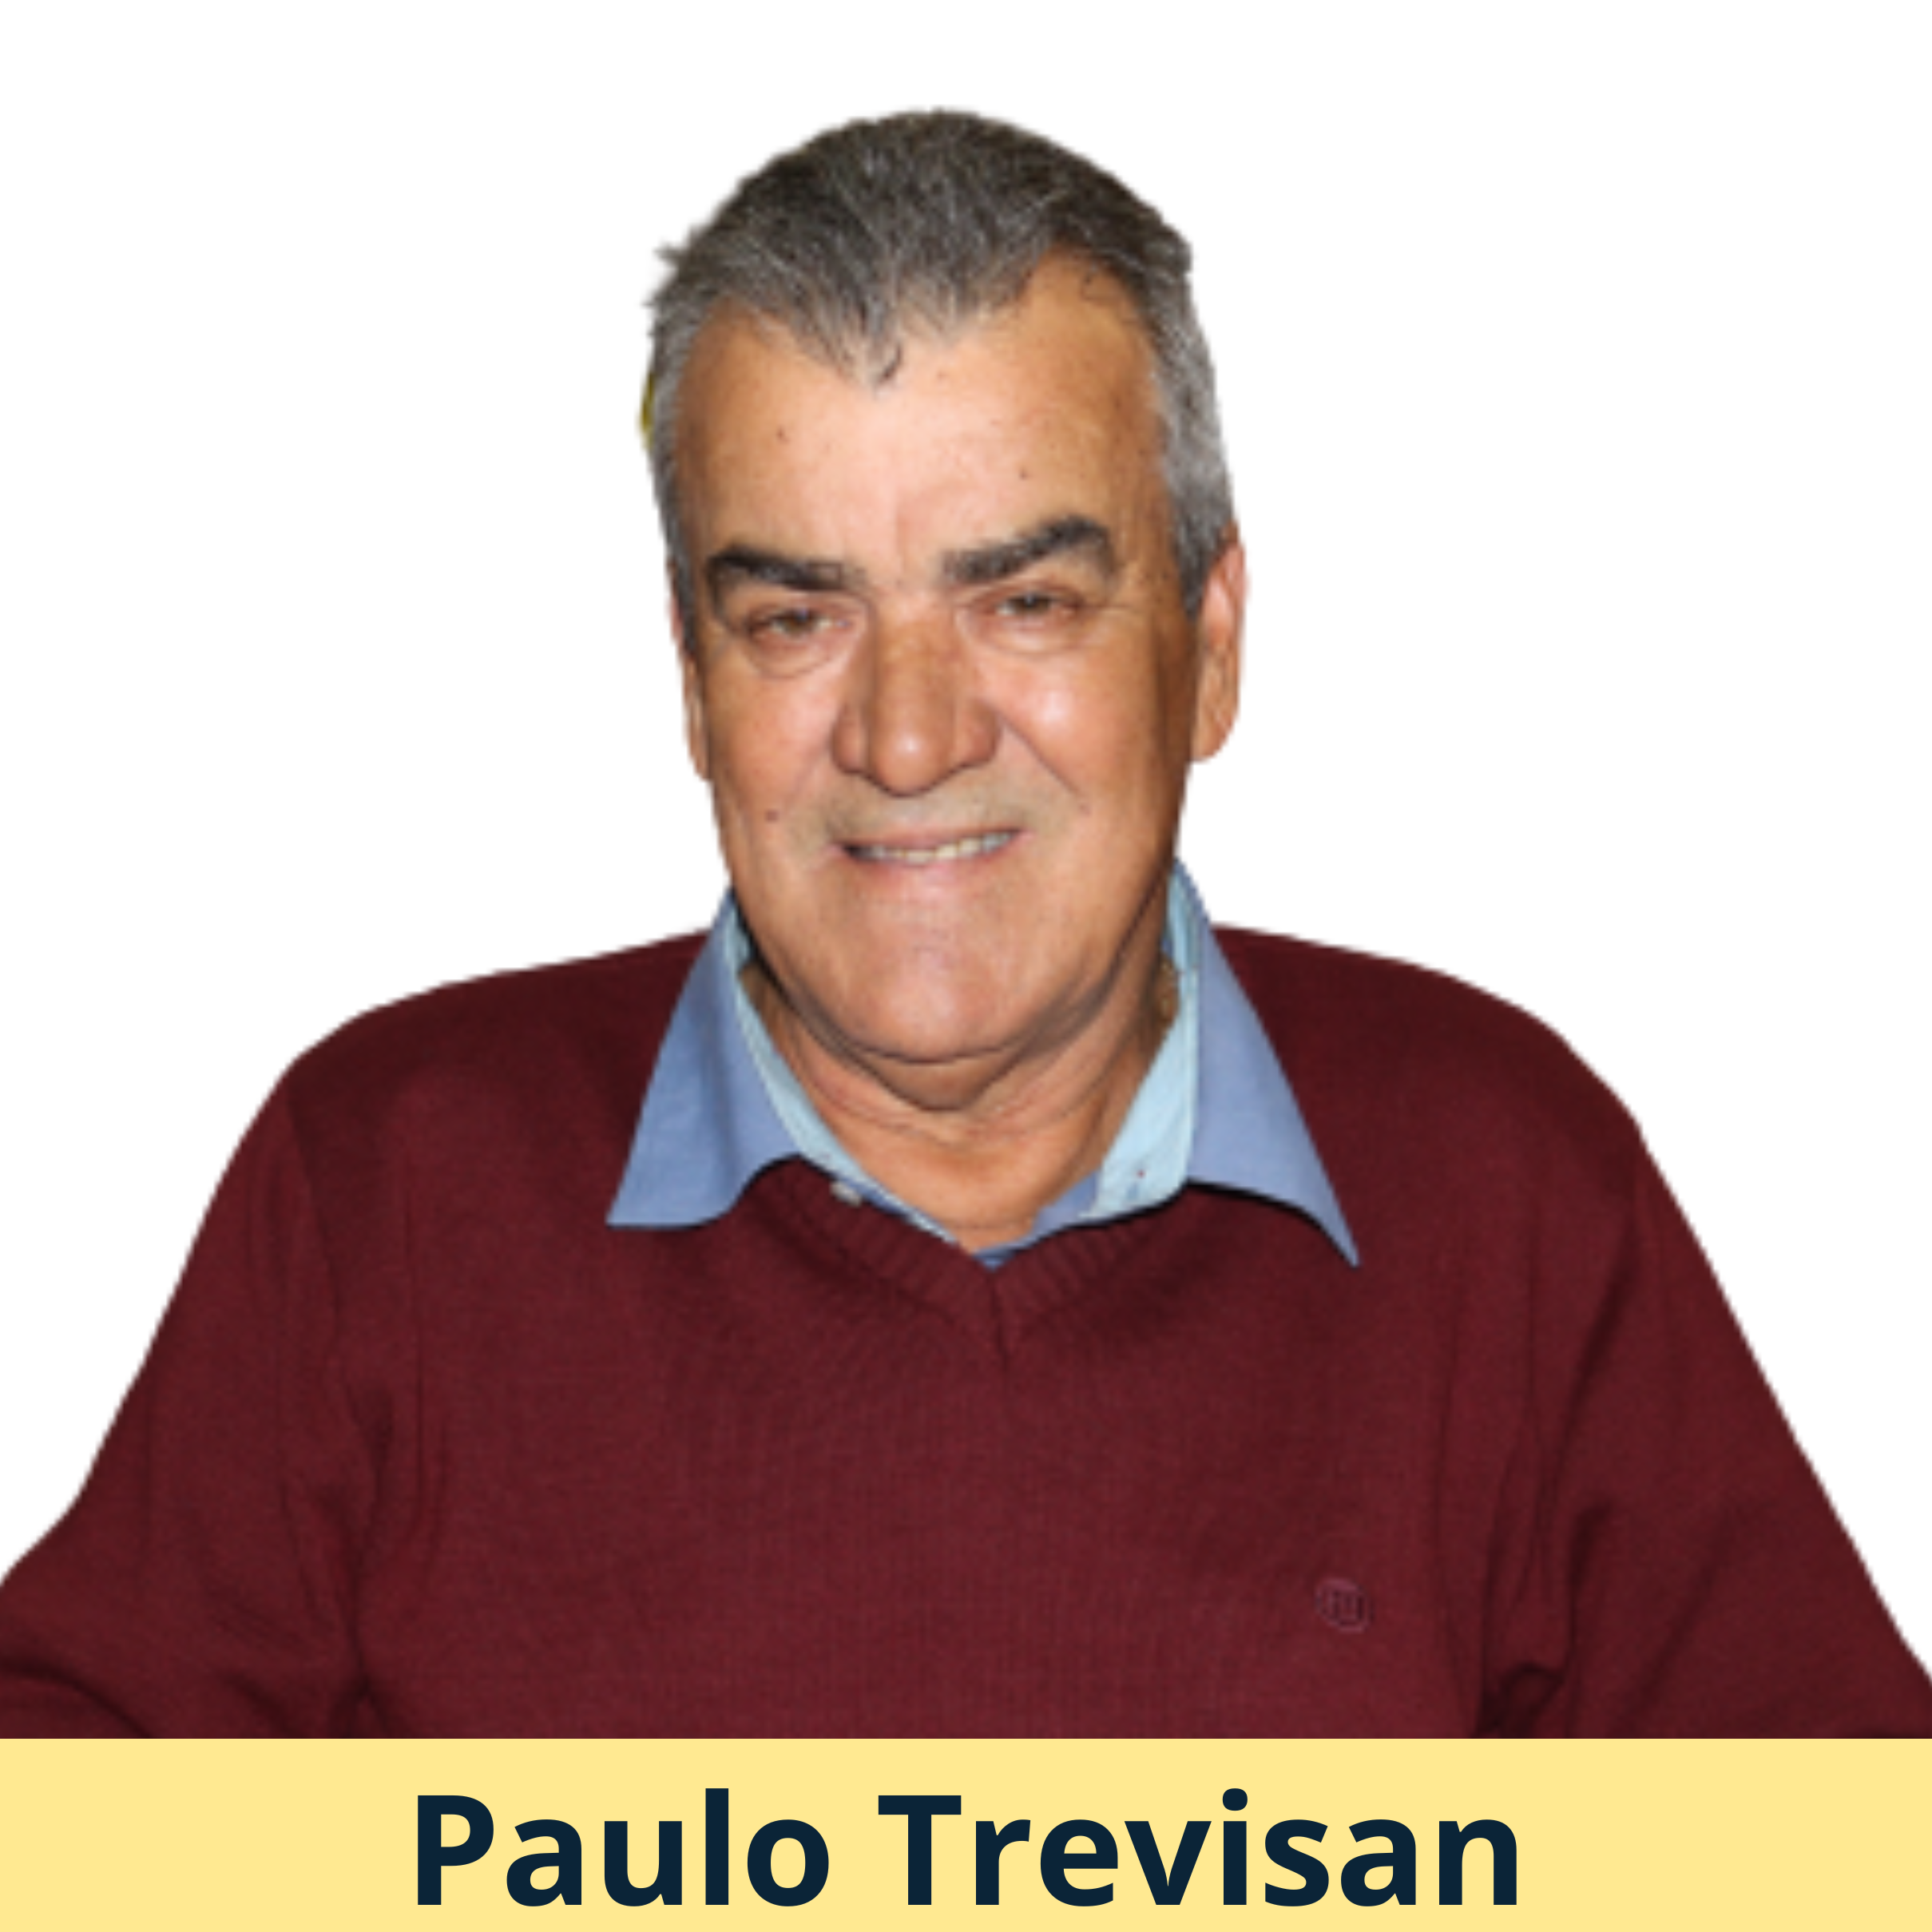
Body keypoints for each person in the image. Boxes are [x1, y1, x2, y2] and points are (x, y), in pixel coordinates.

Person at [0, 110, 1925, 1737]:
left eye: (1024, 605)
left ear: (1211, 645)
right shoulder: (391, 1185)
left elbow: (1835, 1864)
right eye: (795, 617)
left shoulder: (1501, 1181)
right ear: (693, 682)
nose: (908, 740)